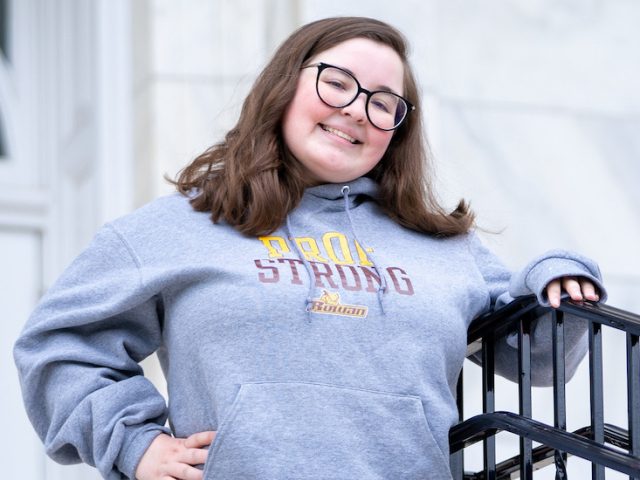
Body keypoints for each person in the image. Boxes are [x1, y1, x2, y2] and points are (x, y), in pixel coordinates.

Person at [14, 16, 605, 480]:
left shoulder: (443, 248)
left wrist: (559, 275)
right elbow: (59, 344)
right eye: (337, 83)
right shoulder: (181, 225)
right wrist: (135, 444)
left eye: (382, 102)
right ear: (286, 85)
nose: (355, 111)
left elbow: (538, 360)